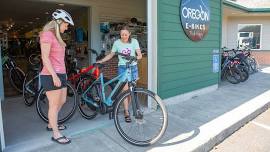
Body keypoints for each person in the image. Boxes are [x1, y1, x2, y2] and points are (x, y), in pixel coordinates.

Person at [39, 9, 74, 144]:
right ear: (59, 22)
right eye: (66, 24)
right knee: (53, 105)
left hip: (61, 73)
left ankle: (50, 124)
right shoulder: (47, 34)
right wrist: (54, 76)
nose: (67, 27)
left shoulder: (56, 36)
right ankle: (56, 133)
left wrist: (62, 75)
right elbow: (45, 57)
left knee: (63, 100)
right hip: (50, 74)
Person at [96, 25, 142, 123]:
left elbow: (140, 55)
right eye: (121, 35)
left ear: (129, 34)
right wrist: (102, 60)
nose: (123, 36)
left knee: (131, 91)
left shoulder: (134, 41)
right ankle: (126, 111)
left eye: (125, 34)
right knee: (125, 91)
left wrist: (135, 58)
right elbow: (111, 54)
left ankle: (128, 107)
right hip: (122, 68)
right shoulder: (117, 43)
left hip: (133, 68)